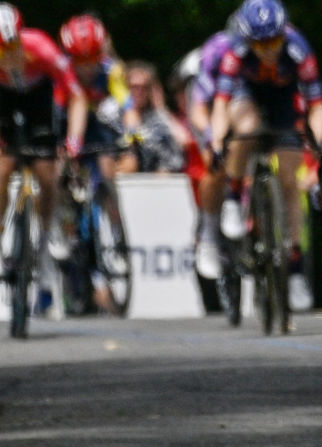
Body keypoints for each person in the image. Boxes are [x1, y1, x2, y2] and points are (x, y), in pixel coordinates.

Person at [209, 0, 322, 313]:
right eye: (259, 44)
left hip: (282, 100)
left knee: (290, 177)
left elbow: (317, 104)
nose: (267, 50)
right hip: (245, 96)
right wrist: (218, 138)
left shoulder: (298, 50)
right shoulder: (235, 52)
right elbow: (221, 103)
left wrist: (316, 143)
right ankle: (234, 196)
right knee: (245, 127)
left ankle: (294, 266)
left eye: (273, 42)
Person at [0, 2, 88, 315]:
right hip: (4, 102)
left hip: (37, 102)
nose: (7, 55)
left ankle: (46, 228)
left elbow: (76, 95)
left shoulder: (41, 47)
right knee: (3, 166)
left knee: (46, 171)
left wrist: (74, 140)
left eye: (11, 47)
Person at [58, 13, 132, 314]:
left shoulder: (112, 70)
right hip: (66, 122)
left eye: (93, 59)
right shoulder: (62, 71)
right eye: (80, 60)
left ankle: (114, 228)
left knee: (106, 167)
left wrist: (133, 132)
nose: (87, 67)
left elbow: (126, 105)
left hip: (98, 125)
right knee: (59, 166)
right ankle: (65, 221)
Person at [185, 16, 240, 283]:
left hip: (243, 109)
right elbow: (198, 108)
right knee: (214, 164)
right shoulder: (215, 52)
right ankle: (208, 232)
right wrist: (211, 138)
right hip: (209, 110)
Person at [121, 61, 187, 174]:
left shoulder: (156, 118)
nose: (139, 92)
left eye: (144, 87)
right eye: (134, 87)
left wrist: (161, 108)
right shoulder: (112, 114)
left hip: (153, 180)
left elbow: (184, 140)